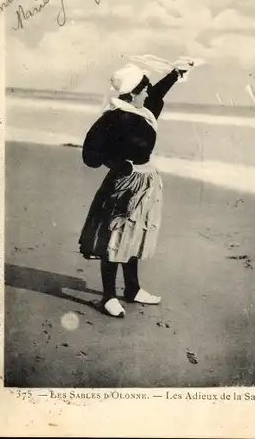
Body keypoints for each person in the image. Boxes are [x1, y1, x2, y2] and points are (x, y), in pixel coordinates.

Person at [79, 60, 192, 317]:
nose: (147, 94)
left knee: (135, 235)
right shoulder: (113, 117)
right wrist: (120, 166)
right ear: (131, 94)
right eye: (143, 90)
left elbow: (157, 94)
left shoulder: (142, 110)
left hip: (147, 182)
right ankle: (108, 296)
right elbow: (90, 154)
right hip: (124, 184)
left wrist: (175, 74)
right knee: (115, 237)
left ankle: (132, 289)